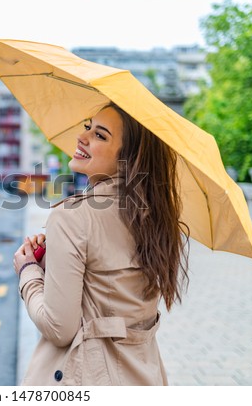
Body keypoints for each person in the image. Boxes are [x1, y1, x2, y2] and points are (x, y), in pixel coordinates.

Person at [13, 103, 189, 385]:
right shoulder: (157, 217)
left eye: (100, 135)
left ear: (127, 158)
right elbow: (111, 299)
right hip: (144, 376)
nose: (83, 138)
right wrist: (54, 259)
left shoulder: (73, 217)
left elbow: (59, 329)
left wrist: (28, 272)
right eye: (88, 127)